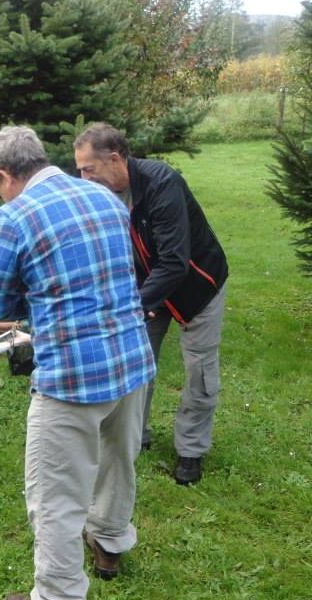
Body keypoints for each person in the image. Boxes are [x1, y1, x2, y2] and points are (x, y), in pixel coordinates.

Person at [0, 126, 155, 600]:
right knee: (118, 464)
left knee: (55, 495)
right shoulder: (105, 198)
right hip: (132, 361)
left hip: (71, 378)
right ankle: (110, 543)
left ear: (3, 176)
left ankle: (58, 592)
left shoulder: (15, 216)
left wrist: (34, 293)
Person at [73, 123, 228, 486]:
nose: (82, 178)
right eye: (79, 169)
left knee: (199, 370)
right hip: (148, 286)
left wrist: (135, 304)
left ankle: (190, 450)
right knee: (136, 363)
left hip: (198, 285)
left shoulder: (161, 183)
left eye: (88, 169)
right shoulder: (100, 193)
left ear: (115, 159)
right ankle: (134, 437)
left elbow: (174, 261)